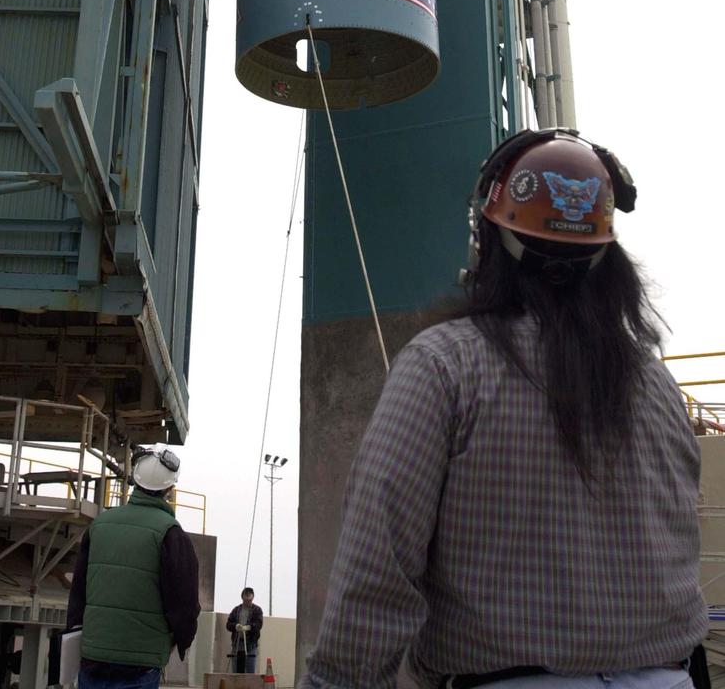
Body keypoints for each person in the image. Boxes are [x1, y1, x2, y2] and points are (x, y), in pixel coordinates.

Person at [299, 129, 709, 689]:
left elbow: (378, 570)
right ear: (605, 255)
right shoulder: (658, 385)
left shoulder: (445, 366)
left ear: (488, 242)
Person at [66, 443, 200, 689]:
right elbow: (184, 604)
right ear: (170, 488)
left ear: (135, 482)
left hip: (93, 658)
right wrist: (181, 641)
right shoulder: (171, 534)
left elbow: (78, 592)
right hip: (141, 662)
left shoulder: (99, 525)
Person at [227, 587, 263, 673]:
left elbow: (259, 624)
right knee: (236, 670)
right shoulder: (236, 610)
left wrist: (249, 627)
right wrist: (236, 626)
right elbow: (228, 624)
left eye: (249, 600)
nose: (248, 602)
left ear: (252, 598)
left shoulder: (257, 610)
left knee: (250, 670)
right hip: (237, 644)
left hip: (251, 645)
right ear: (242, 598)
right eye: (246, 600)